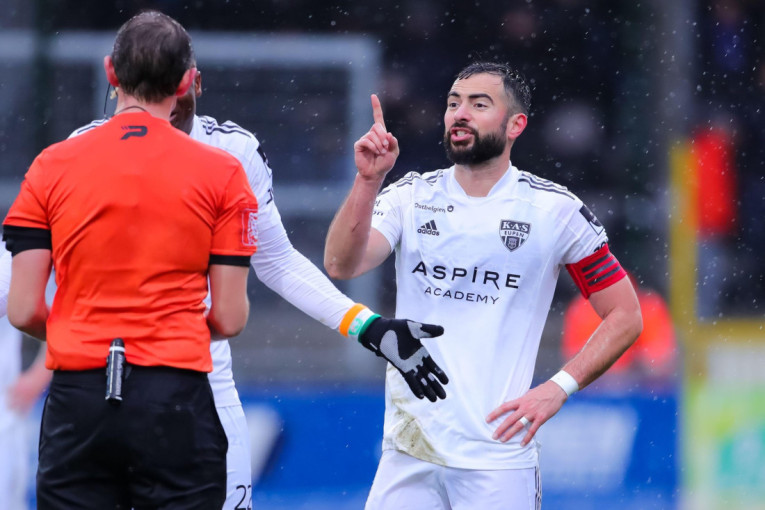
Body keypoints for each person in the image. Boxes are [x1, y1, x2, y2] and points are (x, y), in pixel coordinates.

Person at [70, 52, 449, 509]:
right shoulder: (79, 152)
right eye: (149, 89)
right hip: (102, 385)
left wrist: (366, 325)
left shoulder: (233, 151)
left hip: (201, 385)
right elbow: (36, 271)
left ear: (194, 83)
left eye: (172, 87)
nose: (163, 103)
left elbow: (276, 261)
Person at [324, 61, 643, 509]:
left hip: (498, 460)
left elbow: (626, 315)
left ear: (516, 125)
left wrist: (558, 388)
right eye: (453, 103)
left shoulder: (554, 211)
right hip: (408, 452)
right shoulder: (410, 196)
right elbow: (341, 263)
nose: (460, 114)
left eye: (479, 104)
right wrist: (368, 180)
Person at [2, 11, 260, 509]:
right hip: (174, 395)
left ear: (110, 71)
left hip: (78, 398)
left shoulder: (51, 165)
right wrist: (162, 332)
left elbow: (23, 308)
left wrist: (84, 331)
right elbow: (230, 318)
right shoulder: (223, 172)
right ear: (186, 81)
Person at [562, 273, 676, 387]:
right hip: (597, 386)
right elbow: (574, 358)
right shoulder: (583, 310)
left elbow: (658, 362)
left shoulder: (649, 309)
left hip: (636, 385)